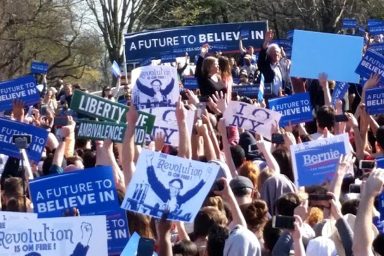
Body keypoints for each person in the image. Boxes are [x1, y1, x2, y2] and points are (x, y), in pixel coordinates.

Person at [257, 30, 291, 98]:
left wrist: (286, 94)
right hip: (268, 100)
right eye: (273, 52)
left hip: (280, 100)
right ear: (269, 55)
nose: (276, 54)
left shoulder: (282, 67)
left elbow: (286, 84)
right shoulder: (264, 66)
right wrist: (266, 41)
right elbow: (262, 54)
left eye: (277, 52)